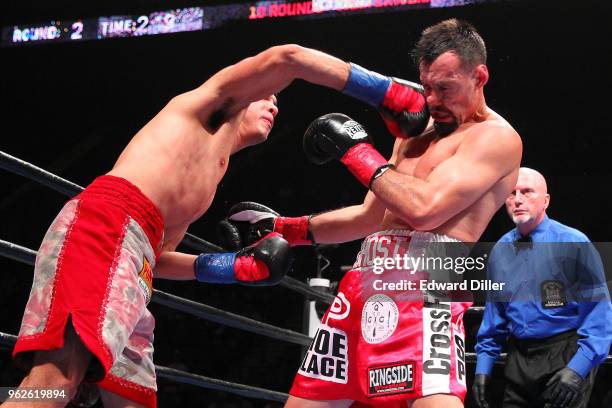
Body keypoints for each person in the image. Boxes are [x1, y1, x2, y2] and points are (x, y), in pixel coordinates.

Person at [3, 44, 353, 408]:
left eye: (276, 102)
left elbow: (159, 258)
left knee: (132, 399)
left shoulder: (209, 175)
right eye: (265, 95)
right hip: (104, 229)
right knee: (54, 382)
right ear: (243, 95)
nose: (273, 105)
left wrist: (234, 268)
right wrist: (382, 90)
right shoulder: (201, 112)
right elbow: (287, 58)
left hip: (134, 264)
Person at [219, 19, 522, 407]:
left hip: (426, 285)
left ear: (479, 76)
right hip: (363, 280)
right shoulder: (415, 131)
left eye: (445, 88)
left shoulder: (496, 138)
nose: (432, 100)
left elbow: (424, 211)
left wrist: (355, 152)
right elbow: (368, 218)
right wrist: (284, 228)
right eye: (427, 86)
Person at [472, 168, 612, 408]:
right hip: (518, 359)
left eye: (527, 192)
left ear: (545, 200)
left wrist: (578, 369)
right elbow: (494, 317)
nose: (517, 199)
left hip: (565, 353)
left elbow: (599, 314)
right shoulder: (499, 250)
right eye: (512, 193)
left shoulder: (574, 242)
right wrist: (482, 369)